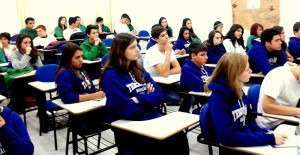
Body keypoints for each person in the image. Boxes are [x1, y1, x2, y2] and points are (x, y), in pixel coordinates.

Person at [100, 33, 189, 155]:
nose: (138, 50)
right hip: (128, 125)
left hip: (149, 117)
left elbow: (159, 95)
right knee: (168, 143)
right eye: (132, 47)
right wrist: (147, 98)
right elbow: (125, 109)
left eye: (137, 46)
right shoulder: (111, 76)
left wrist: (139, 99)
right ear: (120, 51)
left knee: (178, 136)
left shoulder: (138, 68)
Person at [204, 53, 287, 155]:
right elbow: (227, 137)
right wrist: (268, 139)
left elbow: (250, 121)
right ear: (235, 72)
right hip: (235, 148)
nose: (251, 71)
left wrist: (266, 134)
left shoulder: (238, 90)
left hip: (247, 142)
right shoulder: (218, 98)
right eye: (247, 69)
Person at [143, 26, 181, 105]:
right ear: (156, 39)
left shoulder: (168, 49)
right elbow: (164, 74)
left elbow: (178, 69)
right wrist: (167, 53)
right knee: (176, 97)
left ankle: (185, 112)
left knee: (188, 90)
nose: (166, 37)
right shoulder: (152, 52)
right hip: (154, 84)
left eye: (166, 34)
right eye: (163, 35)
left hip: (165, 82)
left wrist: (166, 72)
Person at [256, 62, 300, 129]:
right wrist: (298, 111)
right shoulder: (278, 76)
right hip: (272, 123)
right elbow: (267, 107)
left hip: (289, 117)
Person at [179, 42, 213, 112]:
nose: (206, 57)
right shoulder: (187, 69)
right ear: (193, 56)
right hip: (208, 102)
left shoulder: (206, 68)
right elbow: (202, 87)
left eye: (206, 54)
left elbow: (219, 79)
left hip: (211, 98)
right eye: (202, 55)